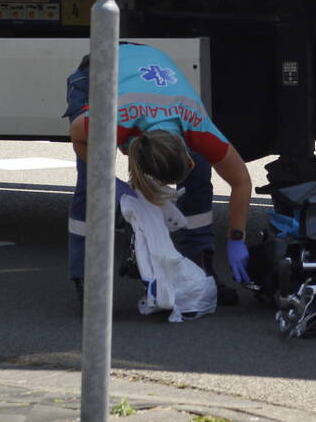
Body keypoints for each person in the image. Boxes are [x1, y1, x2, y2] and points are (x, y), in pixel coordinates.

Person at [63, 41, 252, 306]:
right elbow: (77, 138)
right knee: (91, 183)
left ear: (186, 149)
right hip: (98, 77)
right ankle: (88, 281)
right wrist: (110, 182)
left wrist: (236, 238)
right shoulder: (113, 121)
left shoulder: (196, 124)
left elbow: (241, 182)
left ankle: (201, 269)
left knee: (199, 177)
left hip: (149, 72)